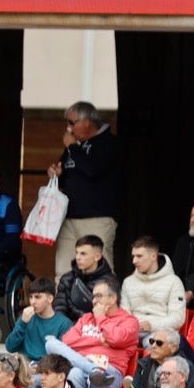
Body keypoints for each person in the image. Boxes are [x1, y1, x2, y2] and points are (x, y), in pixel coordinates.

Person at [48, 100, 122, 272]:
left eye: (72, 123)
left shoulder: (109, 143)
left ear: (87, 122)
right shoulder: (73, 146)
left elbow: (93, 169)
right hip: (69, 217)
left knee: (99, 270)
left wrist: (73, 146)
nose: (68, 128)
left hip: (97, 218)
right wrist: (56, 174)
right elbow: (66, 175)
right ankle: (64, 300)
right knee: (64, 271)